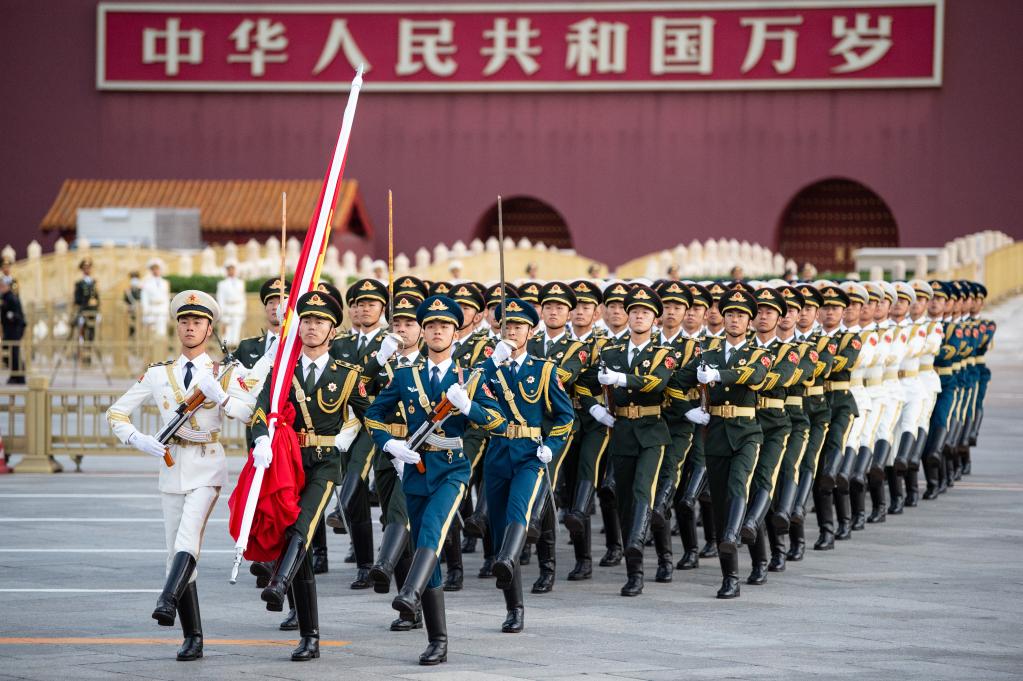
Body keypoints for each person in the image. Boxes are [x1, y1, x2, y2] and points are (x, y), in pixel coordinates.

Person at [106, 290, 251, 661]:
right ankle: (194, 636)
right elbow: (116, 413)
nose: (190, 327)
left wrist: (221, 397)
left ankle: (167, 598)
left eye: (197, 322)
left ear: (209, 328)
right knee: (175, 553)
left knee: (189, 539)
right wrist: (138, 439)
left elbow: (251, 413)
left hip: (207, 464)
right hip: (171, 468)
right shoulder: (159, 373)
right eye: (184, 321)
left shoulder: (225, 372)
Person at [366, 295, 506, 665]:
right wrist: (391, 444)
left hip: (451, 468)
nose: (437, 331)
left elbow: (498, 422)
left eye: (444, 326)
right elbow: (374, 415)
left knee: (430, 530)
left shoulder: (470, 377)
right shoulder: (405, 375)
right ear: (423, 332)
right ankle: (437, 639)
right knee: (424, 543)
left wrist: (469, 407)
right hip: (415, 468)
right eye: (431, 326)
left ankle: (410, 593)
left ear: (455, 333)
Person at [250, 289, 371, 661]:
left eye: (320, 321)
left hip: (324, 463)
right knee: (294, 539)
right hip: (287, 462)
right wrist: (259, 441)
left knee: (301, 527)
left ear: (332, 330)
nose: (312, 326)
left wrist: (357, 443)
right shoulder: (282, 370)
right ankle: (310, 634)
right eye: (307, 320)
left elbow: (373, 416)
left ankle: (279, 580)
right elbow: (260, 411)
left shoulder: (349, 375)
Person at [479, 297, 574, 625]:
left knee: (519, 512)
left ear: (530, 331)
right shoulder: (487, 367)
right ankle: (514, 608)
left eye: (518, 326)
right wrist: (492, 364)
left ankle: (506, 558)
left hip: (530, 455)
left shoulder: (544, 370)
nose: (511, 332)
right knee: (499, 524)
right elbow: (466, 395)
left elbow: (565, 416)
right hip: (497, 453)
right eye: (505, 326)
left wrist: (553, 444)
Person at [675, 287, 770, 599]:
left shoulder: (759, 353)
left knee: (738, 486)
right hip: (714, 432)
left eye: (740, 315)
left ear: (750, 322)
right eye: (730, 314)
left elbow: (752, 375)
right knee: (719, 501)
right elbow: (674, 383)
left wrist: (719, 374)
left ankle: (736, 541)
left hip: (746, 432)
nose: (734, 319)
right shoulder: (707, 353)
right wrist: (686, 409)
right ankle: (731, 576)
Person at [596, 285, 678, 597]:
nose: (639, 316)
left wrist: (622, 379)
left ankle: (638, 557)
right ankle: (646, 562)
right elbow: (591, 382)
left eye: (645, 313)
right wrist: (595, 406)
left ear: (655, 321)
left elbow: (658, 383)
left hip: (652, 432)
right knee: (626, 498)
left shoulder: (663, 354)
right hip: (622, 431)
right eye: (634, 312)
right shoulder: (611, 353)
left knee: (645, 490)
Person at [0, 277, 26, 384]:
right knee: (9, 353)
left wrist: (11, 315)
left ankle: (19, 377)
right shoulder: (5, 297)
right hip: (9, 329)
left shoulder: (11, 297)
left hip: (14, 330)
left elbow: (18, 315)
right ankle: (15, 375)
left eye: (2, 286)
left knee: (13, 353)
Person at [216, 261, 246, 347]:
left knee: (236, 334)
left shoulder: (240, 283)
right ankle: (226, 352)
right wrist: (222, 312)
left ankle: (235, 352)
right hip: (227, 309)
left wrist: (243, 311)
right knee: (226, 335)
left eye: (232, 269)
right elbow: (220, 298)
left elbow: (242, 298)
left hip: (237, 309)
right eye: (229, 269)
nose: (231, 271)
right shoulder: (222, 284)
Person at [141, 258, 171, 338]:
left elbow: (166, 298)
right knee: (151, 334)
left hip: (162, 309)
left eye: (157, 269)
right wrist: (146, 312)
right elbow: (144, 299)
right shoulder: (146, 283)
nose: (155, 271)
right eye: (153, 269)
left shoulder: (165, 283)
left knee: (162, 333)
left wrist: (167, 311)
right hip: (152, 309)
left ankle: (161, 350)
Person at [73, 258, 100, 343]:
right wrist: (85, 302)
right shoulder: (79, 283)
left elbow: (97, 297)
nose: (87, 269)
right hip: (83, 310)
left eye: (89, 267)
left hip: (93, 310)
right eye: (85, 268)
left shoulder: (93, 282)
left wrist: (96, 305)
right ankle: (82, 349)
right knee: (82, 329)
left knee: (92, 331)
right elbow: (77, 299)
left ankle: (90, 349)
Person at [124, 272, 142, 339]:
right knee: (131, 327)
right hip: (131, 311)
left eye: (135, 278)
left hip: (139, 311)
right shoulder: (128, 291)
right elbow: (125, 300)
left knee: (139, 327)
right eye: (132, 278)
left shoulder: (141, 290)